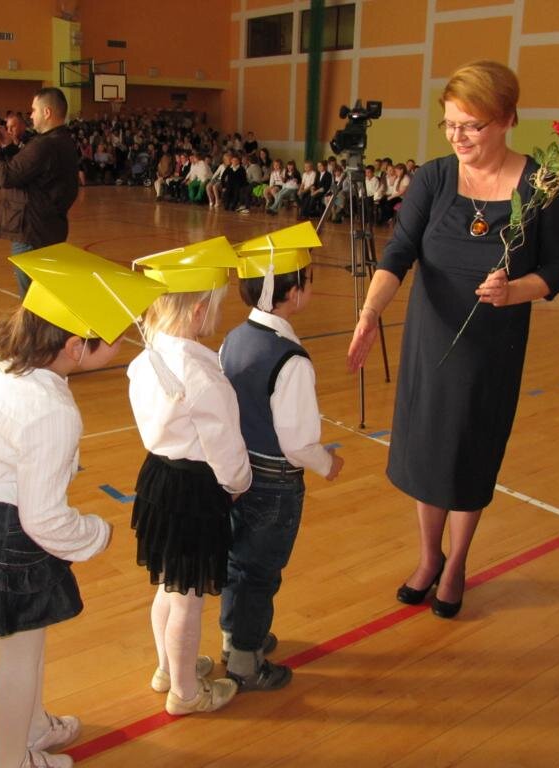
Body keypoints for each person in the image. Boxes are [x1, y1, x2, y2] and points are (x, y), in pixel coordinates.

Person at [0, 244, 166, 768]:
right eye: (116, 337)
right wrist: (95, 533)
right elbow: (44, 519)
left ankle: (33, 727)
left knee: (27, 638)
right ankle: (15, 760)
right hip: (7, 531)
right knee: (20, 655)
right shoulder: (50, 410)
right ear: (75, 346)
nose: (123, 343)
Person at [346, 60, 559, 619]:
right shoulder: (433, 179)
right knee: (428, 452)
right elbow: (399, 252)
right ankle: (430, 557)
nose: (458, 137)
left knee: (469, 452)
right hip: (431, 339)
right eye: (450, 124)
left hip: (491, 347)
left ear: (507, 119)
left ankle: (457, 564)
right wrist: (371, 311)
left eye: (471, 125)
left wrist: (516, 289)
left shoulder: (540, 187)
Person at [218, 223, 344, 692]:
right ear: (293, 293)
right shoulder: (291, 359)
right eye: (308, 279)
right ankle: (246, 662)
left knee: (238, 562)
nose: (310, 286)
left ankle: (235, 636)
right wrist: (327, 463)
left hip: (239, 473)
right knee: (261, 573)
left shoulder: (234, 338)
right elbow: (297, 442)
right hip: (273, 483)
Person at [127, 238, 251, 716]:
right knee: (189, 600)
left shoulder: (147, 357)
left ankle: (168, 668)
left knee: (169, 585)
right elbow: (225, 445)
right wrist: (238, 483)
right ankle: (184, 693)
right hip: (194, 491)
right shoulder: (200, 373)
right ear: (199, 311)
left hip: (158, 479)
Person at [0, 88, 79, 296]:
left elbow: (6, 176)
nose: (31, 115)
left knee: (32, 299)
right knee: (43, 295)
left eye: (34, 110)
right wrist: (9, 147)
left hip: (32, 232)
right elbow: (28, 168)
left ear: (47, 112)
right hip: (49, 228)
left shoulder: (44, 145)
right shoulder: (63, 141)